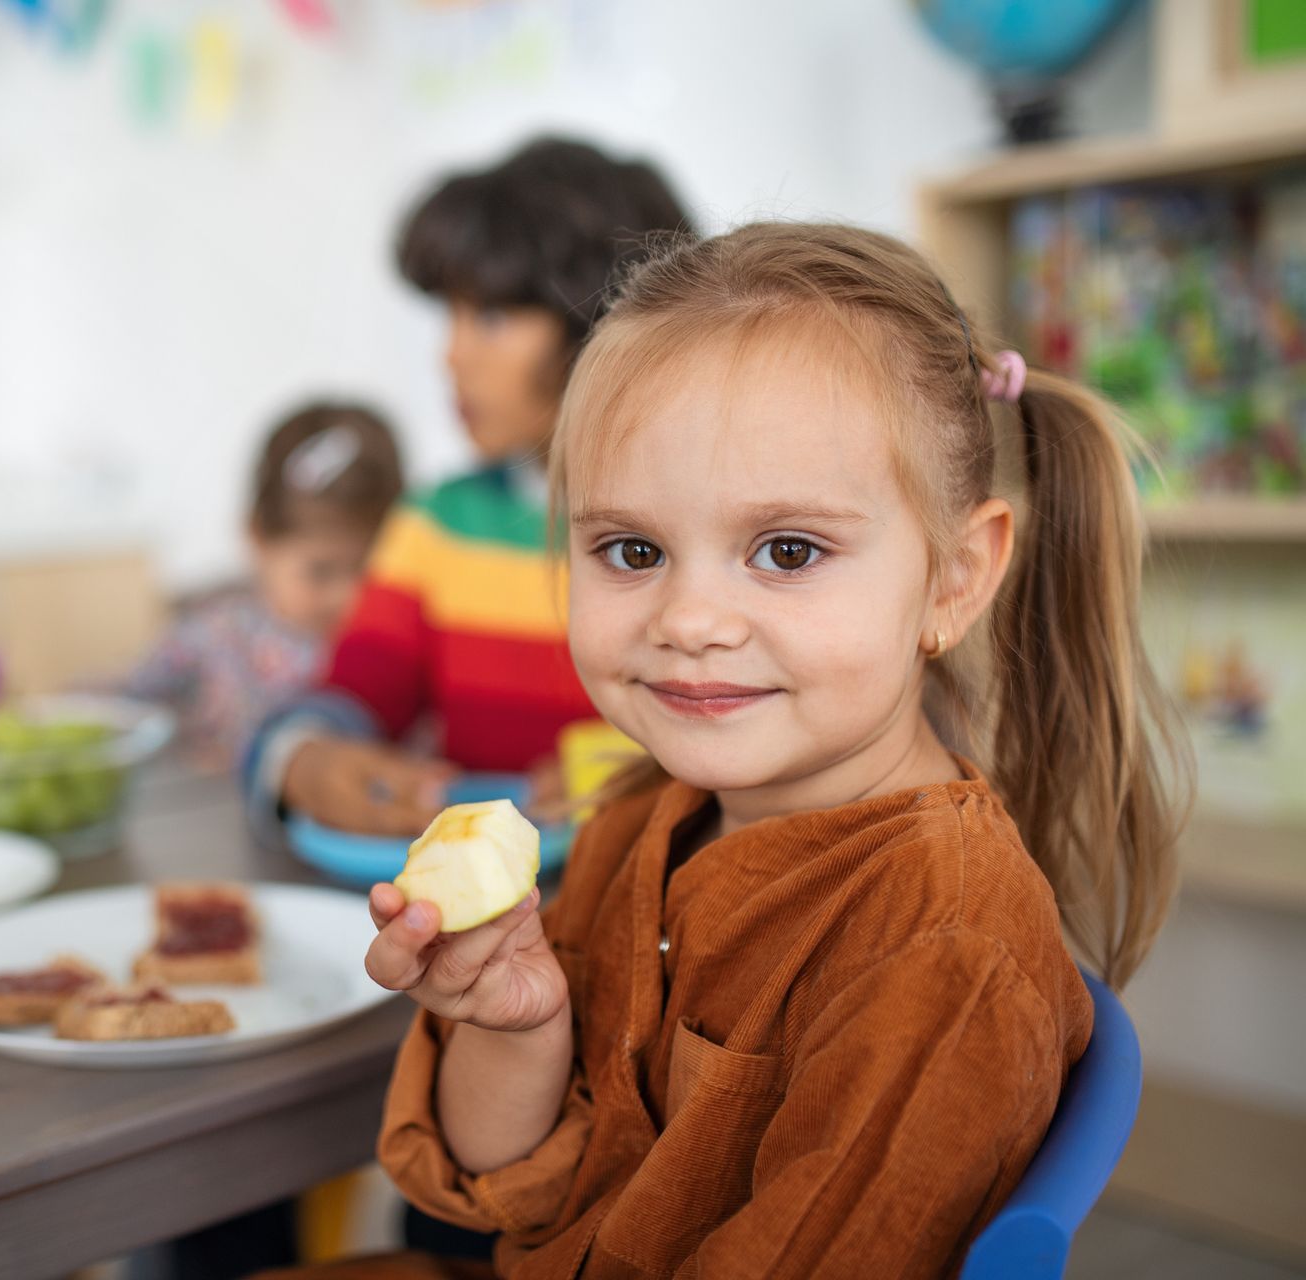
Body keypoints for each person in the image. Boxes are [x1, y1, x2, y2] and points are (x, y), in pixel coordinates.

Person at [316, 222, 1190, 1278]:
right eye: (632, 549)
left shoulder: (942, 952)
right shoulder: (641, 811)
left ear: (955, 578)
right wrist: (517, 1028)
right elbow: (508, 1187)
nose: (689, 619)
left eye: (787, 550)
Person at [244, 138, 693, 839]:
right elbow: (348, 696)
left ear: (605, 321)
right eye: (448, 316)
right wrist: (301, 759)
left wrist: (634, 767)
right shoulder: (438, 523)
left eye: (490, 317)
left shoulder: (701, 529)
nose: (450, 354)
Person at [124, 402, 403, 769]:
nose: (349, 596)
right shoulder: (212, 635)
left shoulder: (400, 648)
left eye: (370, 568)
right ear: (257, 536)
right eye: (321, 571)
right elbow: (127, 704)